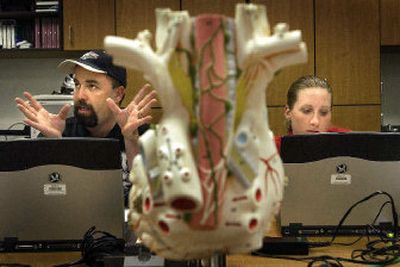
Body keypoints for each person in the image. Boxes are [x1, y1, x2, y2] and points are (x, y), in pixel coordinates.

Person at [15, 50, 157, 204]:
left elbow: (153, 200)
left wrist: (131, 141)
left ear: (118, 94)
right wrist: (55, 145)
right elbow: (43, 201)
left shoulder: (144, 135)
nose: (80, 95)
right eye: (77, 84)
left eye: (92, 86)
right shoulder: (60, 133)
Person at [275, 75, 350, 152]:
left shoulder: (349, 142)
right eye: (306, 111)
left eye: (323, 112)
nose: (315, 121)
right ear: (288, 112)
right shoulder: (270, 151)